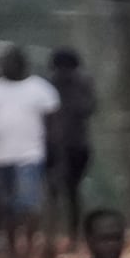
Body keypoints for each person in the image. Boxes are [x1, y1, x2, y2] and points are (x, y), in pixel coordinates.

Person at [0, 45, 63, 258]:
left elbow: (53, 124)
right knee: (6, 205)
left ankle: (29, 242)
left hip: (30, 155)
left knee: (28, 204)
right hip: (0, 156)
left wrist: (55, 155)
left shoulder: (40, 89)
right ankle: (12, 249)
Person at [46, 47, 101, 229]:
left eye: (67, 68)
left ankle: (74, 233)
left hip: (77, 144)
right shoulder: (49, 86)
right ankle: (52, 232)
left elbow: (90, 108)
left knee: (72, 190)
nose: (63, 73)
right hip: (52, 145)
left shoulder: (83, 83)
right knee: (53, 189)